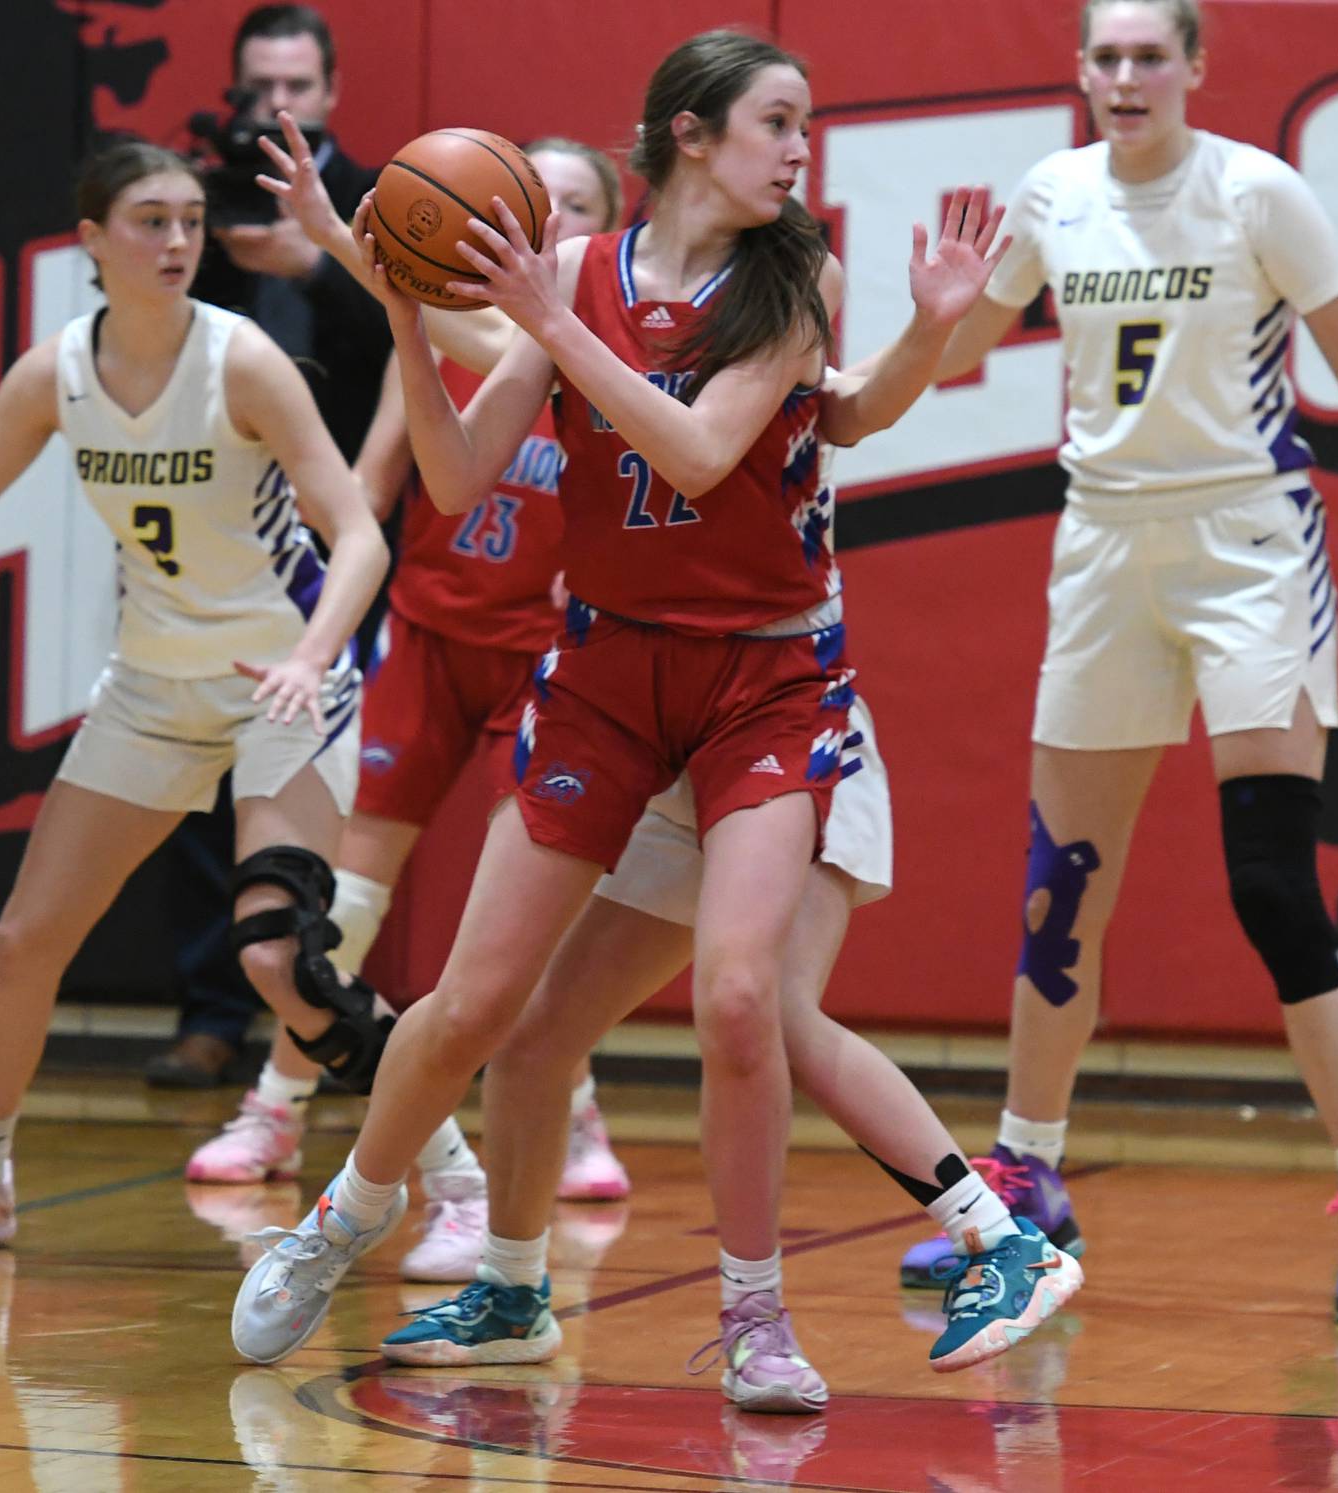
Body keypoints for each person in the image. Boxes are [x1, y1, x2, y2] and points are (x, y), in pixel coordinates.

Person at [230, 29, 1079, 1407]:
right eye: (778, 122)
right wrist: (398, 303)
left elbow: (693, 458)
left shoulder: (790, 279)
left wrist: (925, 328)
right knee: (480, 1006)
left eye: (802, 123)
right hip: (611, 681)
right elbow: (452, 486)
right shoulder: (573, 276)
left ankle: (761, 1316)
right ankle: (347, 1226)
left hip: (764, 685)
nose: (801, 148)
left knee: (743, 998)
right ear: (690, 133)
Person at [895, 0, 1338, 1326]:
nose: (1127, 77)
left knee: (1269, 883)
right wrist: (931, 325)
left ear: (1194, 68)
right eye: (1107, 57)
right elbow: (960, 342)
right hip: (1104, 554)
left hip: (1249, 547)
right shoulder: (1053, 194)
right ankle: (1028, 1165)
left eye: (1150, 56)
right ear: (1081, 73)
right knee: (1060, 890)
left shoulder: (1257, 192)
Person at [186, 139, 633, 1281]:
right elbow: (369, 495)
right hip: (429, 642)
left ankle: (572, 1117)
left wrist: (345, 242)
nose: (547, 220)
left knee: (521, 920)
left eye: (574, 205)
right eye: (536, 197)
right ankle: (277, 1103)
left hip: (543, 661)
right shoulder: (435, 341)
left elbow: (505, 338)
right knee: (346, 895)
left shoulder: (598, 351)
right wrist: (315, 637)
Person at [0, 140, 390, 1248]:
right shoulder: (54, 372)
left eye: (189, 223)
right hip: (153, 685)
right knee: (23, 943)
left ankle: (439, 1167)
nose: (175, 243)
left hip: (281, 681)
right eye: (149, 221)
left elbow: (358, 533)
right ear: (92, 243)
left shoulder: (241, 358)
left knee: (279, 955)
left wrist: (312, 655)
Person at [147, 2, 393, 1088]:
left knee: (333, 781)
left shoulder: (383, 198)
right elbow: (152, 349)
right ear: (236, 88)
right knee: (206, 780)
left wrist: (317, 260)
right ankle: (215, 1010)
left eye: (296, 85)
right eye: (260, 86)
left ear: (330, 92)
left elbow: (417, 340)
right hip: (214, 524)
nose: (277, 104)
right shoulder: (188, 204)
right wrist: (217, 259)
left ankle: (327, 1024)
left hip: (342, 523)